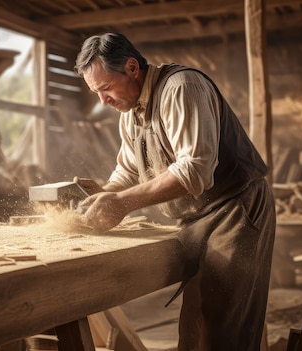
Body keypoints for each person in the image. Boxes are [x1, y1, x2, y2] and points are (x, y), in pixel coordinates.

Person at [74, 32, 276, 351]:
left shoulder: (182, 88)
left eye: (105, 88)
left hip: (234, 209)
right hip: (195, 220)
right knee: (195, 325)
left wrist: (122, 203)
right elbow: (127, 171)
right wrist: (105, 196)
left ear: (131, 68)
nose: (104, 101)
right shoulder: (130, 114)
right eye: (96, 92)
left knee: (225, 328)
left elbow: (195, 169)